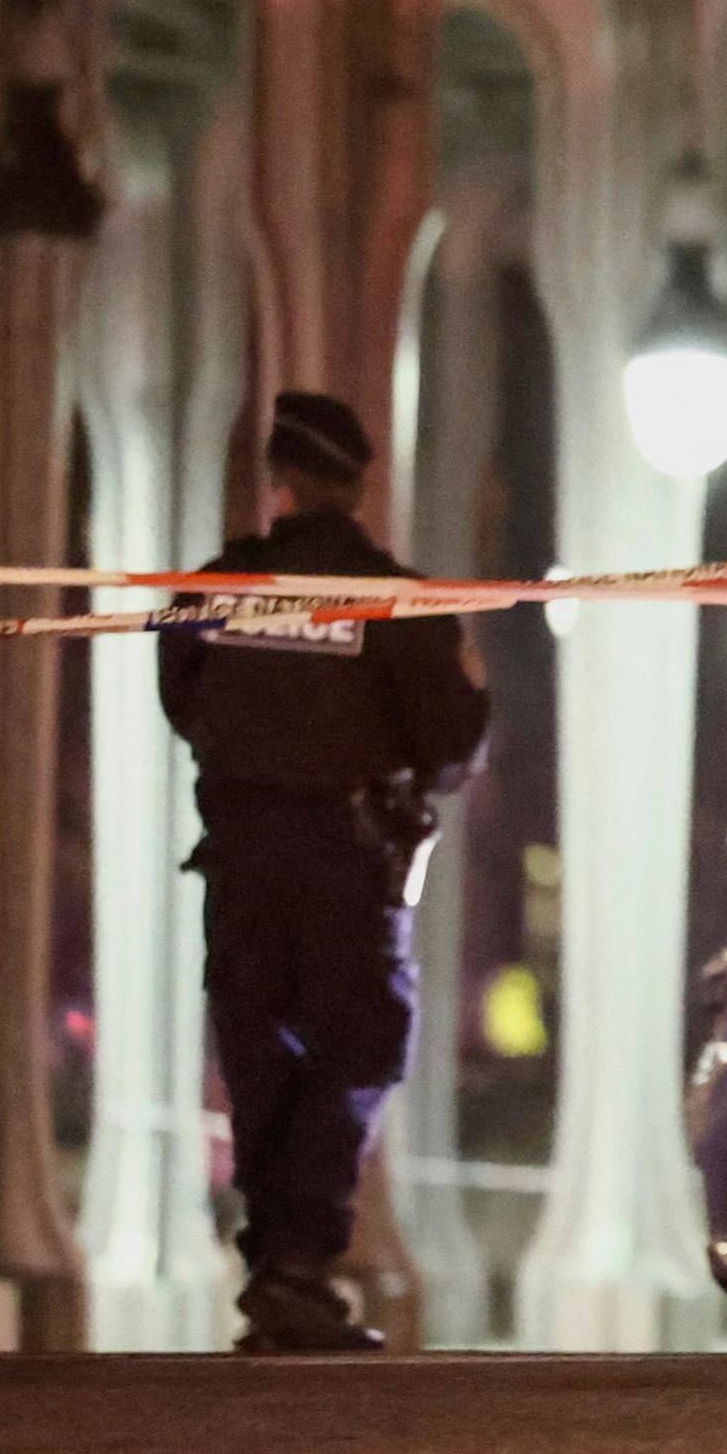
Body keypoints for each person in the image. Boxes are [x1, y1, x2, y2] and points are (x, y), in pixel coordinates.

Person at [157, 392, 487, 1356]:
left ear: (279, 480)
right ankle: (297, 1263)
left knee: (260, 1057)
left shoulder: (211, 590)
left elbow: (183, 700)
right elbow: (455, 737)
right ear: (357, 484)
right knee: (363, 1047)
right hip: (348, 859)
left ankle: (277, 1267)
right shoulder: (394, 598)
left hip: (241, 854)